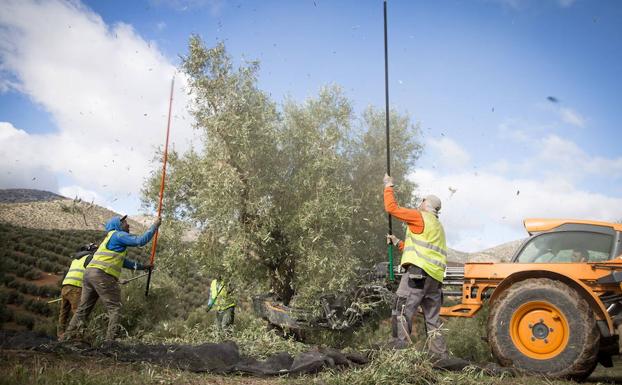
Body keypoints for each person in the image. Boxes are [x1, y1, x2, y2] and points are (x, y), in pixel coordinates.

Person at [62, 215, 161, 342]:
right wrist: (155, 226)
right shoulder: (118, 235)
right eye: (125, 222)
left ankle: (66, 338)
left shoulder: (109, 239)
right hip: (102, 275)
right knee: (115, 308)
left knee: (82, 310)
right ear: (117, 225)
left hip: (89, 275)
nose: (128, 225)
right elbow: (140, 241)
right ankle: (109, 342)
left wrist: (143, 267)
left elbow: (124, 262)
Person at [383, 174, 449, 359]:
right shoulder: (437, 226)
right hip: (435, 280)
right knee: (433, 320)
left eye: (422, 201)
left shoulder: (420, 216)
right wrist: (398, 243)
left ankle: (400, 355)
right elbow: (422, 250)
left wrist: (389, 186)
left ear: (425, 204)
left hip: (417, 277)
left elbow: (391, 208)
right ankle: (440, 357)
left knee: (401, 311)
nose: (419, 203)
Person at [57, 243, 97, 339]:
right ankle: (78, 337)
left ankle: (60, 335)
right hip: (76, 288)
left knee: (63, 313)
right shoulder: (90, 258)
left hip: (65, 287)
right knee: (79, 313)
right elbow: (93, 273)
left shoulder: (76, 259)